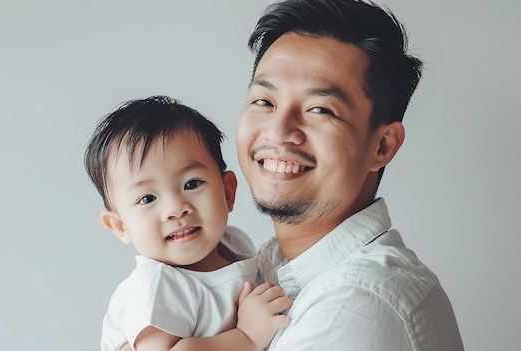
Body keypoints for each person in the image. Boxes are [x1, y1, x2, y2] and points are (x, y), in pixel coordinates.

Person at [235, 0, 465, 350]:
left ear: (383, 145)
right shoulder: (269, 267)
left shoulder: (358, 302)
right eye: (264, 101)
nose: (279, 131)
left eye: (320, 109)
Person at [84, 95, 292, 351]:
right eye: (147, 198)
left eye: (191, 184)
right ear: (121, 226)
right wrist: (246, 337)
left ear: (227, 193)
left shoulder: (233, 241)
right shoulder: (157, 284)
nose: (176, 209)